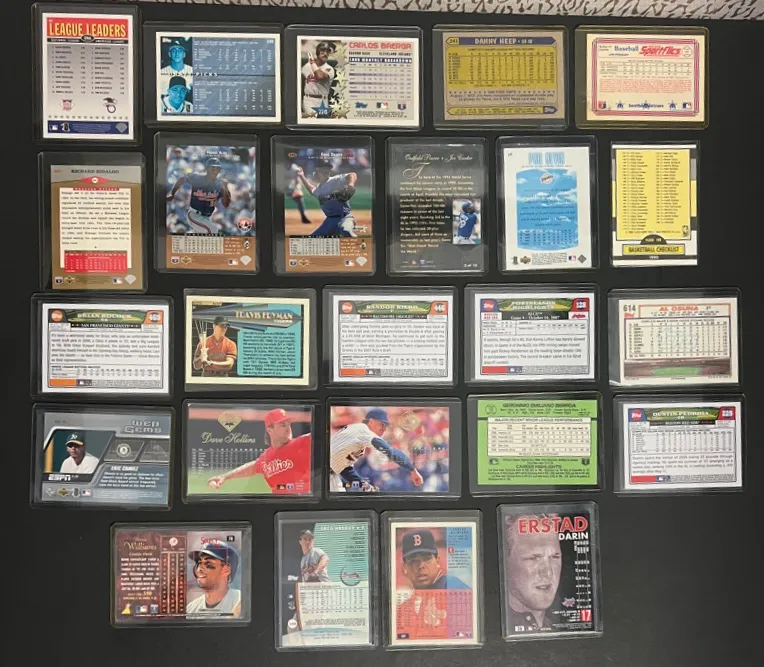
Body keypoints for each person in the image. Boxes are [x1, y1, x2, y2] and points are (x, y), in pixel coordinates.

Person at [206, 408, 312, 494]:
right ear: (270, 430)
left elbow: (320, 434)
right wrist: (224, 477)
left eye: (289, 424)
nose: (288, 428)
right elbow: (252, 467)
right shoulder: (266, 457)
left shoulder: (302, 442)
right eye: (283, 425)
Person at [329, 408, 423, 492]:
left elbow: (346, 469)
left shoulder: (356, 436)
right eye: (381, 424)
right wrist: (413, 470)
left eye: (385, 426)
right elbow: (390, 451)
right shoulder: (363, 430)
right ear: (371, 422)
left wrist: (364, 485)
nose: (384, 429)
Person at [504, 514, 562, 632]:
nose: (548, 572)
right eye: (533, 558)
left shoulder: (561, 628)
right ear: (505, 561)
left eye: (554, 557)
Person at [293, 159, 357, 238]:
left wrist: (351, 184)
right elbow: (312, 190)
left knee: (348, 235)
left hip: (344, 218)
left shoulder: (335, 180)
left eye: (328, 168)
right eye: (324, 168)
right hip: (329, 221)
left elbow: (352, 174)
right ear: (317, 170)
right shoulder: (319, 188)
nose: (326, 170)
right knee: (310, 240)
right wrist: (302, 176)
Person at [167, 156, 231, 234]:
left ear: (219, 170)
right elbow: (181, 179)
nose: (214, 171)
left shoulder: (219, 184)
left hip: (207, 218)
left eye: (217, 169)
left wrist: (225, 188)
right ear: (207, 168)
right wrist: (172, 193)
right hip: (194, 215)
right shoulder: (197, 178)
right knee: (213, 230)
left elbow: (226, 204)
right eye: (212, 168)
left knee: (201, 237)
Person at [186, 540, 241, 616]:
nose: (199, 569)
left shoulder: (241, 602)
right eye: (199, 563)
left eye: (208, 564)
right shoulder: (190, 609)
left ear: (226, 570)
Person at [400, 529, 469, 590]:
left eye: (426, 559)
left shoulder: (452, 585)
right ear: (405, 568)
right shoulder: (409, 597)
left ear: (437, 561)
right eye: (413, 561)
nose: (421, 566)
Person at [301, 41, 335, 117]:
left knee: (322, 122)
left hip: (323, 100)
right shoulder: (306, 67)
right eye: (323, 51)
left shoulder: (329, 68)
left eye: (327, 52)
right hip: (309, 100)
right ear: (317, 52)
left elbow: (319, 76)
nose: (325, 54)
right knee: (311, 120)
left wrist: (312, 62)